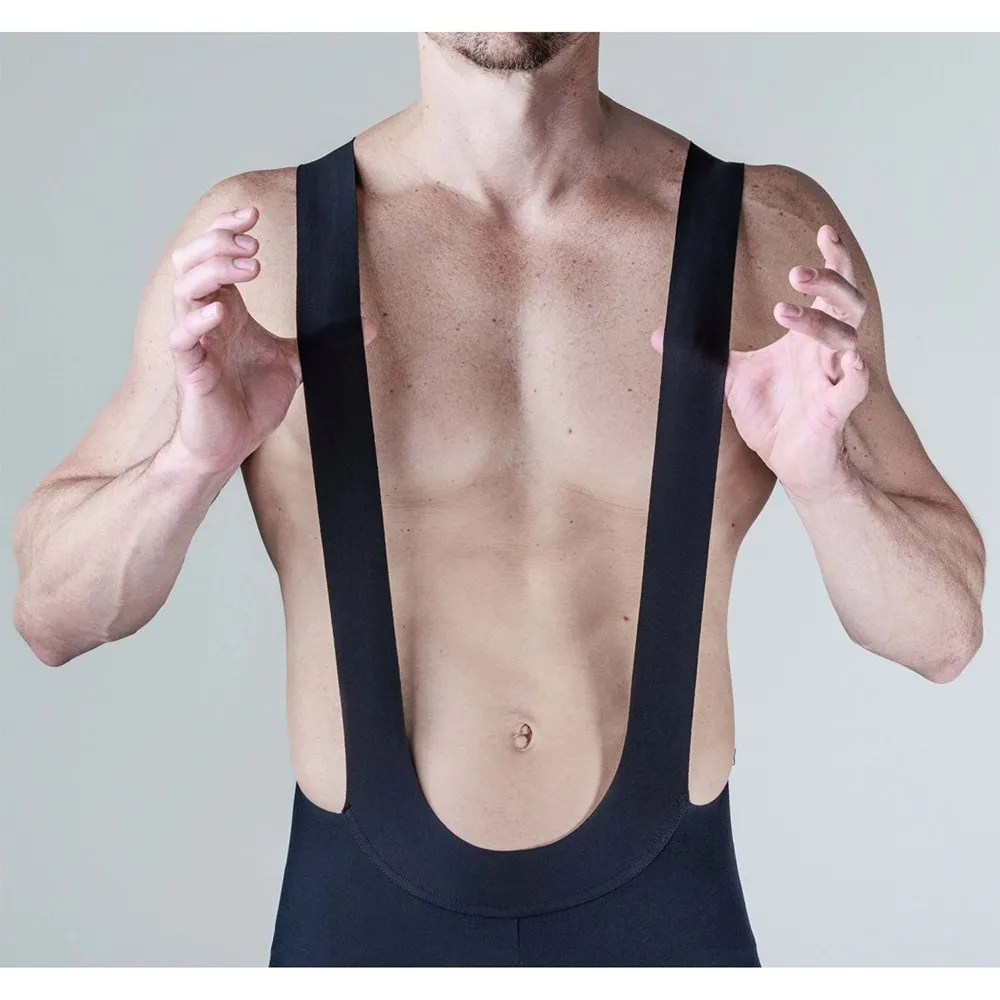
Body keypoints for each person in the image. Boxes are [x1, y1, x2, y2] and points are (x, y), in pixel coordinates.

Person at [11, 32, 985, 967]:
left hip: (663, 916)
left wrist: (826, 481)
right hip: (363, 921)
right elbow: (52, 616)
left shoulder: (764, 236)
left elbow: (942, 636)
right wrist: (189, 460)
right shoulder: (263, 241)